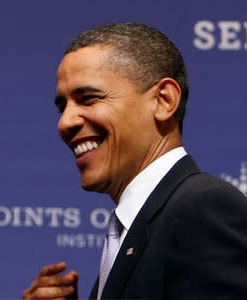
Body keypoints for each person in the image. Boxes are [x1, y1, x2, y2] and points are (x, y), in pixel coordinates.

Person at [23, 22, 247, 300]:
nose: (65, 122)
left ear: (164, 100)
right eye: (62, 106)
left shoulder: (202, 209)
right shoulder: (138, 225)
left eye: (89, 98)